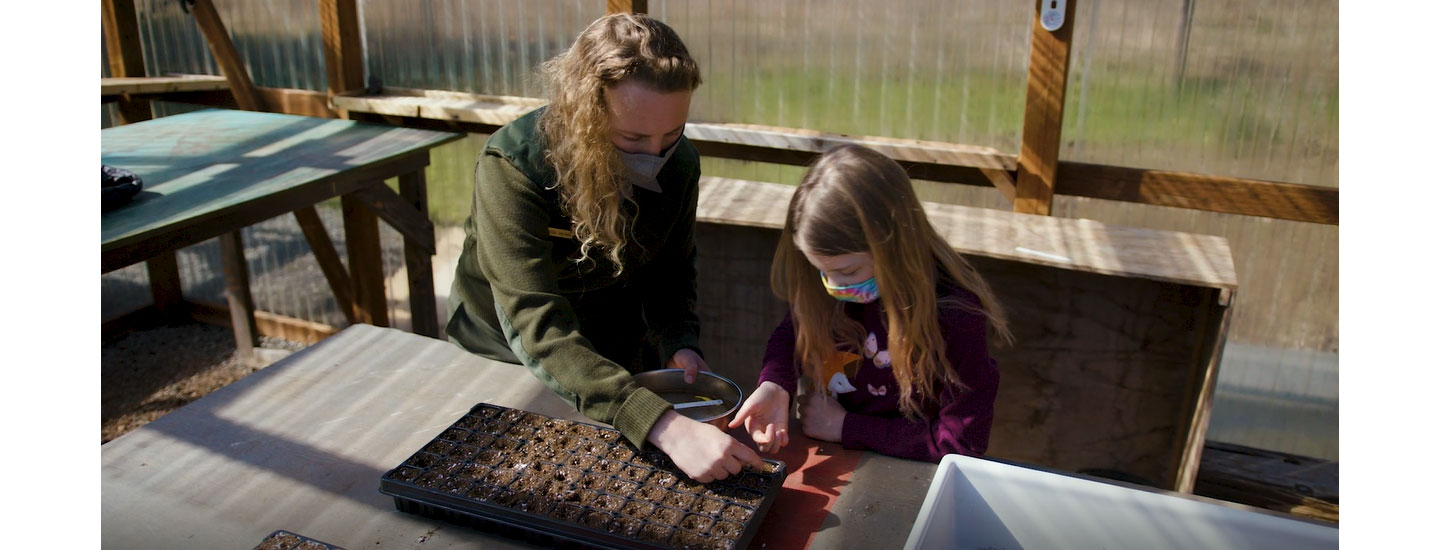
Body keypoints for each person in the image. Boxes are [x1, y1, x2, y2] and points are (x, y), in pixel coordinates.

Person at [445, 13, 763, 481]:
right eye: (631, 138)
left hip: (604, 343)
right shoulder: (514, 168)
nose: (654, 156)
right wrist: (664, 426)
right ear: (585, 114)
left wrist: (679, 342)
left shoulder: (680, 167)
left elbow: (671, 270)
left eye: (671, 135)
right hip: (504, 349)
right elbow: (533, 317)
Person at [728, 144, 1014, 463]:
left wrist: (846, 427)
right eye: (820, 271)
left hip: (905, 470)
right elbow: (794, 331)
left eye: (848, 271)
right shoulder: (827, 286)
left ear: (895, 245)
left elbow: (961, 444)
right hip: (838, 453)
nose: (833, 286)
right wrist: (776, 383)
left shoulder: (954, 315)